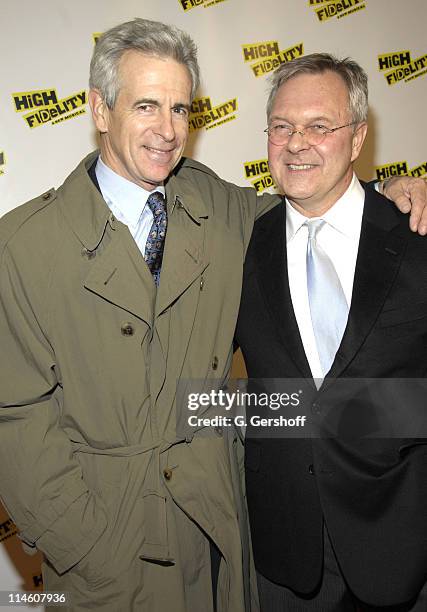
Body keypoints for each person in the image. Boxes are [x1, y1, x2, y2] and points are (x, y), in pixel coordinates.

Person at [0, 18, 425, 612]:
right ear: (100, 110)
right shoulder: (23, 244)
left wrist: (397, 186)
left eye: (180, 109)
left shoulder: (217, 207)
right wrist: (85, 544)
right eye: (146, 105)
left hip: (223, 538)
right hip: (106, 552)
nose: (167, 130)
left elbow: (320, 195)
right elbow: (16, 416)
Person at [235, 53, 427, 611]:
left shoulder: (415, 234)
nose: (297, 143)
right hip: (287, 556)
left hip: (407, 545)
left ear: (359, 135)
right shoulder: (238, 247)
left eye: (319, 126)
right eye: (282, 126)